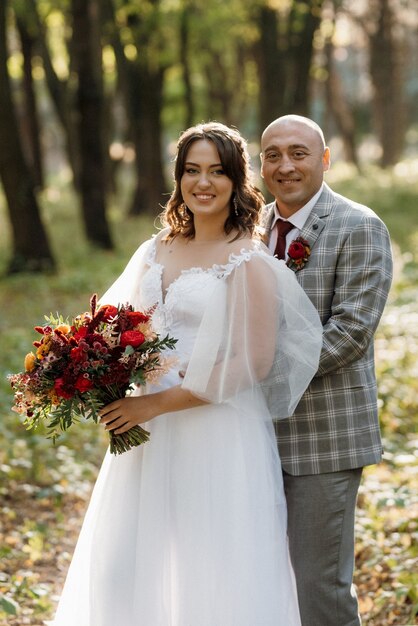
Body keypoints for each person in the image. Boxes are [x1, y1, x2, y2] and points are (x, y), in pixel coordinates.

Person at [50, 122, 323, 626]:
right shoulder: (156, 249)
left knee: (213, 565)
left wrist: (152, 404)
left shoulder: (247, 259)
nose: (204, 183)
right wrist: (89, 375)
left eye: (218, 172)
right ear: (177, 179)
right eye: (192, 170)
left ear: (237, 181)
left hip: (217, 432)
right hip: (145, 433)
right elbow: (114, 329)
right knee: (129, 564)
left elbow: (254, 362)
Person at [260, 114, 393, 626]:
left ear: (325, 159)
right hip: (251, 435)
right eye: (273, 154)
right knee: (267, 577)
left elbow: (349, 335)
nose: (286, 165)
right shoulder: (251, 229)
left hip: (326, 437)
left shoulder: (359, 226)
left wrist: (249, 374)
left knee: (319, 586)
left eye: (299, 152)